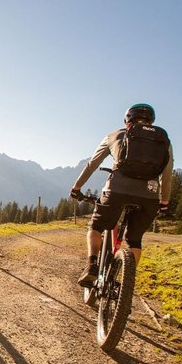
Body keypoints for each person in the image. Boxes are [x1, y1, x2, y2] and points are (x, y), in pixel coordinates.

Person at [70, 103, 173, 287]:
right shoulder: (163, 140)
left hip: (116, 190)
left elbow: (92, 164)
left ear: (127, 120)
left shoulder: (115, 135)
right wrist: (164, 201)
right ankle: (127, 283)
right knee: (134, 240)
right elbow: (167, 175)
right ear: (152, 120)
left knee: (96, 226)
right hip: (149, 196)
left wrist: (77, 187)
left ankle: (91, 265)